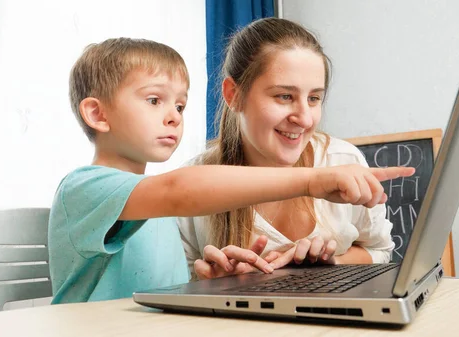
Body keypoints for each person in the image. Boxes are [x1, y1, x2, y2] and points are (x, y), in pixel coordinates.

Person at [48, 37, 413, 303]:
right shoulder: (83, 190)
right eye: (155, 100)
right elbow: (181, 191)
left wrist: (218, 282)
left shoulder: (152, 204)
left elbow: (163, 290)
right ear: (97, 114)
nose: (174, 116)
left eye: (181, 104)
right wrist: (312, 180)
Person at [178, 18, 411, 281]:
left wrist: (331, 264)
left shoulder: (342, 160)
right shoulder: (193, 185)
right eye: (284, 96)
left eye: (313, 98)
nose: (305, 118)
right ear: (234, 95)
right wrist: (215, 284)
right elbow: (183, 284)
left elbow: (379, 250)